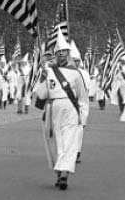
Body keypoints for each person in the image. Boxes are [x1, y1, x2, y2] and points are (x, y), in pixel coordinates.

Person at [33, 31, 88, 190]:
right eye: (59, 53)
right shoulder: (50, 72)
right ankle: (59, 170)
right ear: (56, 54)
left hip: (70, 109)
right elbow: (42, 94)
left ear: (68, 54)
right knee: (57, 141)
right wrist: (43, 78)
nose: (62, 55)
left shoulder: (76, 74)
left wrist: (83, 118)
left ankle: (65, 174)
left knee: (69, 140)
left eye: (65, 52)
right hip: (53, 109)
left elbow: (82, 98)